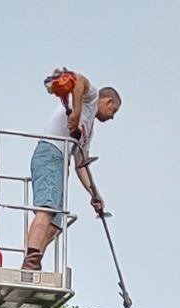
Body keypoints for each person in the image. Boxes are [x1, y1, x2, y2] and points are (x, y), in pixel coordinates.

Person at [22, 72, 121, 270]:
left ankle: (34, 259)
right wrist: (75, 114)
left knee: (56, 225)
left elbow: (81, 164)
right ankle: (29, 264)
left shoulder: (88, 131)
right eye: (114, 111)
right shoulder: (90, 99)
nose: (112, 117)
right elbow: (79, 80)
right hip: (50, 153)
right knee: (46, 210)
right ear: (108, 101)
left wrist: (94, 194)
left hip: (62, 162)